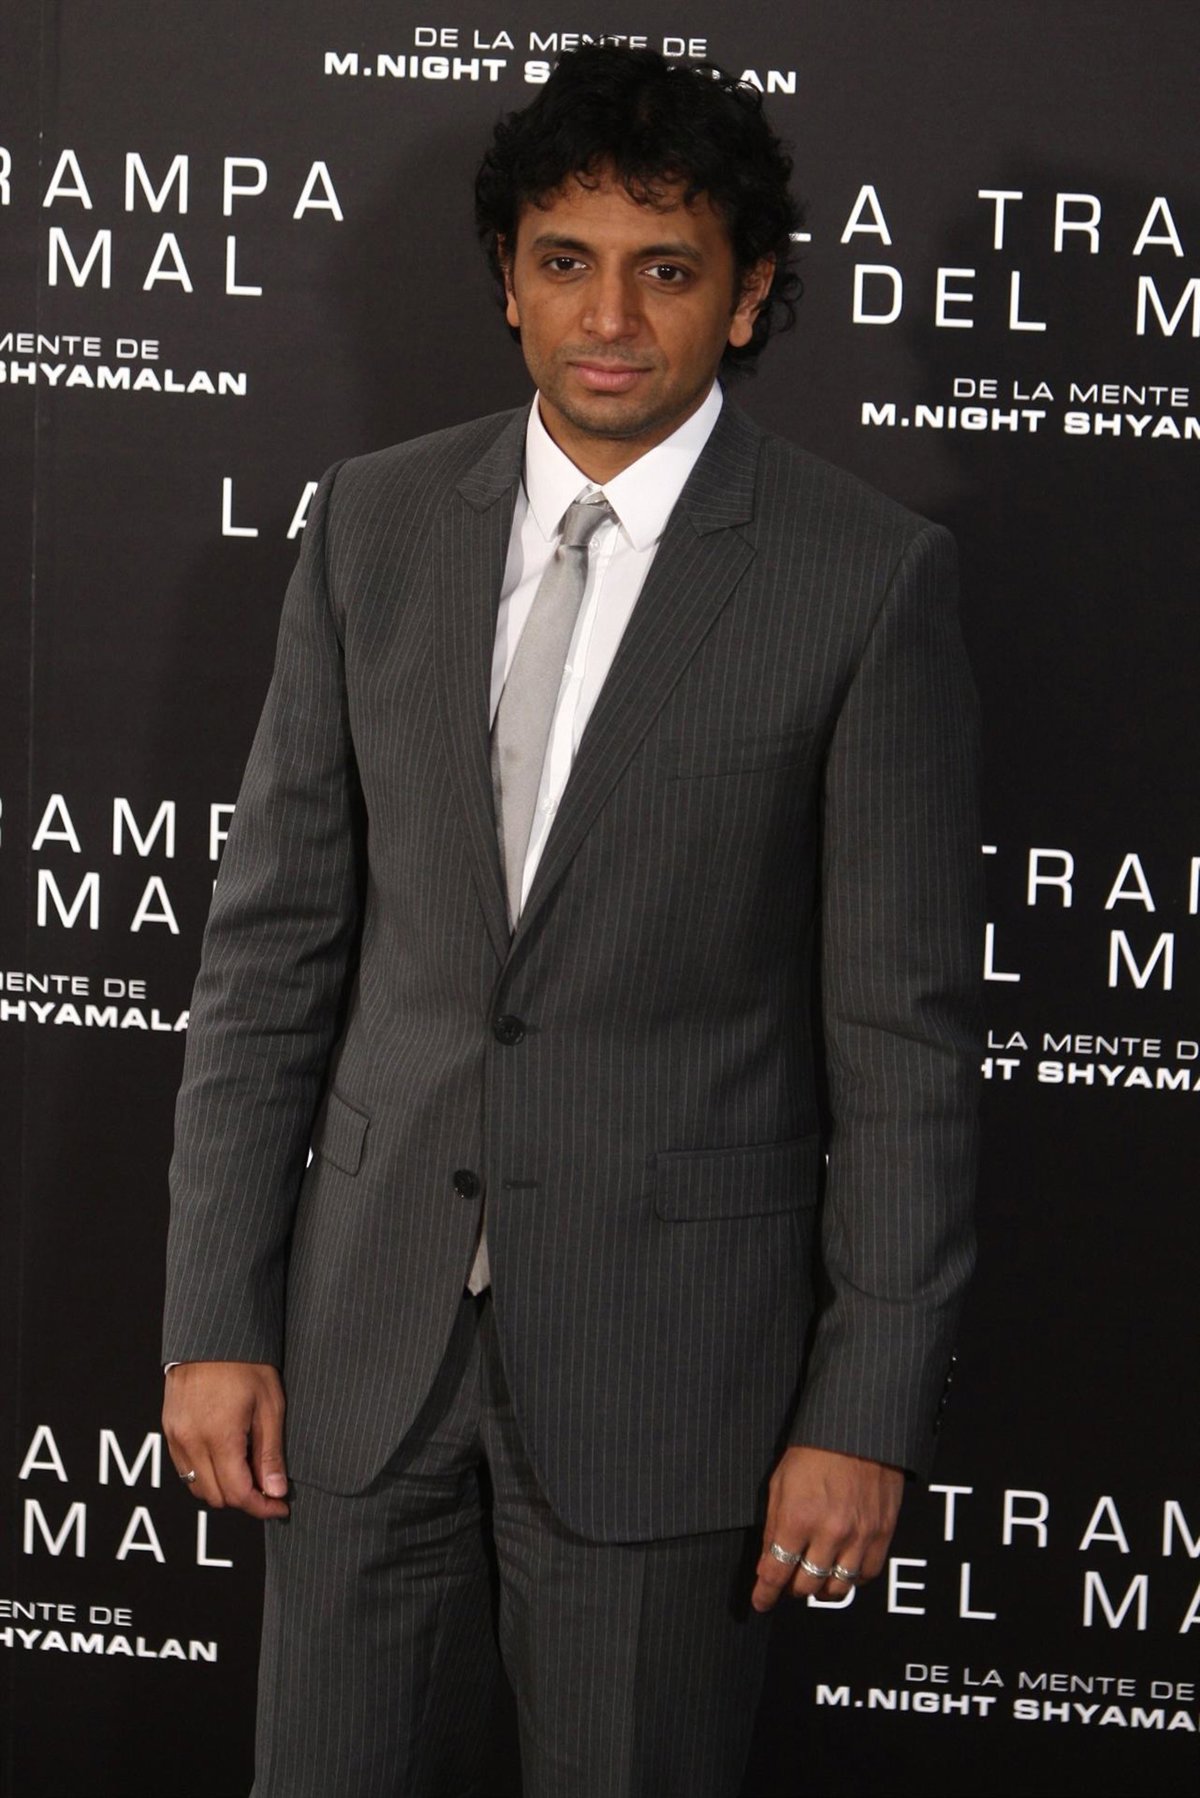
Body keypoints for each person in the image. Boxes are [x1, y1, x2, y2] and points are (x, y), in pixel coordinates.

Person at [162, 43, 981, 1798]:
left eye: (666, 268)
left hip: (668, 1374)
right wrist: (213, 1311)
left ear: (747, 296)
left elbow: (900, 1047)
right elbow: (268, 961)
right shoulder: (372, 526)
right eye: (566, 261)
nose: (610, 317)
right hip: (359, 1350)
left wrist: (862, 1407)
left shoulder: (860, 579)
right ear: (510, 281)